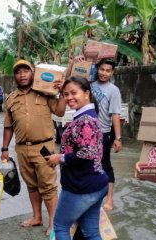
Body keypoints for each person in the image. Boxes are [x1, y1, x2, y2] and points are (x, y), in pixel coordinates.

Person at [1, 59, 66, 236]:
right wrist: (4, 149)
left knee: (48, 186)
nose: (22, 75)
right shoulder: (11, 99)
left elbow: (60, 112)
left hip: (43, 147)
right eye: (18, 72)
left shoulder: (45, 93)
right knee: (31, 185)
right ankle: (37, 217)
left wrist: (61, 93)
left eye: (25, 71)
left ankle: (54, 223)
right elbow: (8, 126)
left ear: (32, 73)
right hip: (22, 149)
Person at [46, 76, 109, 240]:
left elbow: (87, 152)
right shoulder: (87, 115)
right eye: (66, 94)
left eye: (74, 93)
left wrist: (61, 158)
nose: (69, 98)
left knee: (60, 227)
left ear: (87, 93)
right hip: (96, 184)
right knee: (91, 232)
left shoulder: (85, 120)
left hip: (81, 186)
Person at [91, 58, 122, 210]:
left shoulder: (113, 90)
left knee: (105, 166)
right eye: (102, 69)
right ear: (97, 69)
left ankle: (109, 199)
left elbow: (115, 114)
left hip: (102, 134)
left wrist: (117, 138)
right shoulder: (89, 85)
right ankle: (92, 196)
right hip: (87, 133)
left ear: (112, 72)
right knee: (88, 165)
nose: (104, 73)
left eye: (107, 71)